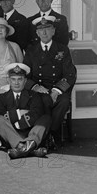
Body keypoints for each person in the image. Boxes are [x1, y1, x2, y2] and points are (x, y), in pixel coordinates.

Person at [23, 16, 77, 146]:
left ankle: (50, 133)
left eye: (47, 28)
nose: (44, 33)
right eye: (41, 30)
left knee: (64, 101)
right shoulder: (31, 50)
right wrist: (35, 87)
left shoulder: (62, 49)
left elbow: (70, 73)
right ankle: (48, 136)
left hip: (56, 88)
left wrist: (57, 90)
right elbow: (25, 75)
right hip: (39, 89)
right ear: (37, 33)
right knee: (43, 100)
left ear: (53, 31)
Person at [0, 63, 50, 159]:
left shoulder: (34, 96)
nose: (16, 83)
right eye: (13, 79)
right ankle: (27, 147)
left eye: (20, 79)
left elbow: (36, 114)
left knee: (46, 118)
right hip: (12, 135)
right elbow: (1, 117)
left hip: (30, 132)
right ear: (8, 80)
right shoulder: (2, 98)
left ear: (25, 81)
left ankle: (22, 147)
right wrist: (20, 113)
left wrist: (15, 118)